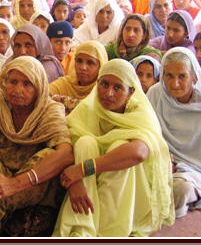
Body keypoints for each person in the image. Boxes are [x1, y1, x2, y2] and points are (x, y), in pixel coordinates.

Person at [52, 59, 175, 237]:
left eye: (118, 87)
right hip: (89, 181)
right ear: (97, 84)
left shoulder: (140, 113)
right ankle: (82, 227)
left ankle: (108, 233)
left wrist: (82, 169)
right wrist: (75, 182)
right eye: (104, 84)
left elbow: (138, 153)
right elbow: (66, 144)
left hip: (131, 192)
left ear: (131, 92)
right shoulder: (89, 108)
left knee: (120, 148)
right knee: (85, 142)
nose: (108, 93)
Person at [0, 56, 73, 237]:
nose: (18, 90)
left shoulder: (50, 110)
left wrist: (13, 185)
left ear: (39, 87)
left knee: (49, 155)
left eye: (27, 84)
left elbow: (65, 154)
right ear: (4, 82)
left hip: (28, 185)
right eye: (13, 82)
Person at [147, 47, 201, 218]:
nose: (175, 84)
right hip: (157, 159)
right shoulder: (155, 94)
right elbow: (145, 131)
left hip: (193, 170)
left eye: (182, 76)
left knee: (180, 189)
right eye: (169, 76)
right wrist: (161, 156)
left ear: (194, 77)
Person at [49, 40, 108, 115]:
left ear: (101, 66)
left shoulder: (104, 91)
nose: (83, 67)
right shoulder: (64, 83)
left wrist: (64, 101)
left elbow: (98, 112)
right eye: (79, 61)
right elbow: (42, 97)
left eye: (90, 63)